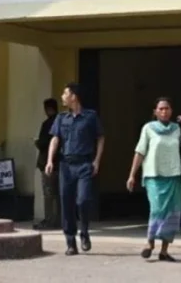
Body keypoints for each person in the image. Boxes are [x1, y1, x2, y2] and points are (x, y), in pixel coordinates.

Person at [45, 82, 104, 256]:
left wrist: (97, 161)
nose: (62, 97)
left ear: (74, 97)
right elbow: (55, 139)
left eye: (65, 94)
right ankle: (70, 242)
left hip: (85, 163)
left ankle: (84, 231)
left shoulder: (90, 117)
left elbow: (101, 138)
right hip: (66, 165)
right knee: (67, 203)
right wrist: (50, 160)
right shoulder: (61, 118)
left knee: (83, 200)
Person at [126, 97, 181, 261]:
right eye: (160, 109)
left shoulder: (177, 129)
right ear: (155, 112)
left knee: (171, 213)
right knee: (157, 209)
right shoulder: (148, 128)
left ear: (171, 111)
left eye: (167, 108)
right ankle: (150, 242)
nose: (164, 111)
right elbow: (140, 152)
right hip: (154, 176)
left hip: (175, 176)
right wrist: (132, 175)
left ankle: (164, 250)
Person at [34, 98, 60, 230]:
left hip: (47, 163)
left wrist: (37, 142)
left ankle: (49, 220)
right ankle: (59, 219)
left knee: (48, 194)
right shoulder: (62, 122)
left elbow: (44, 142)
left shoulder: (47, 124)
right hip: (61, 163)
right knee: (59, 194)